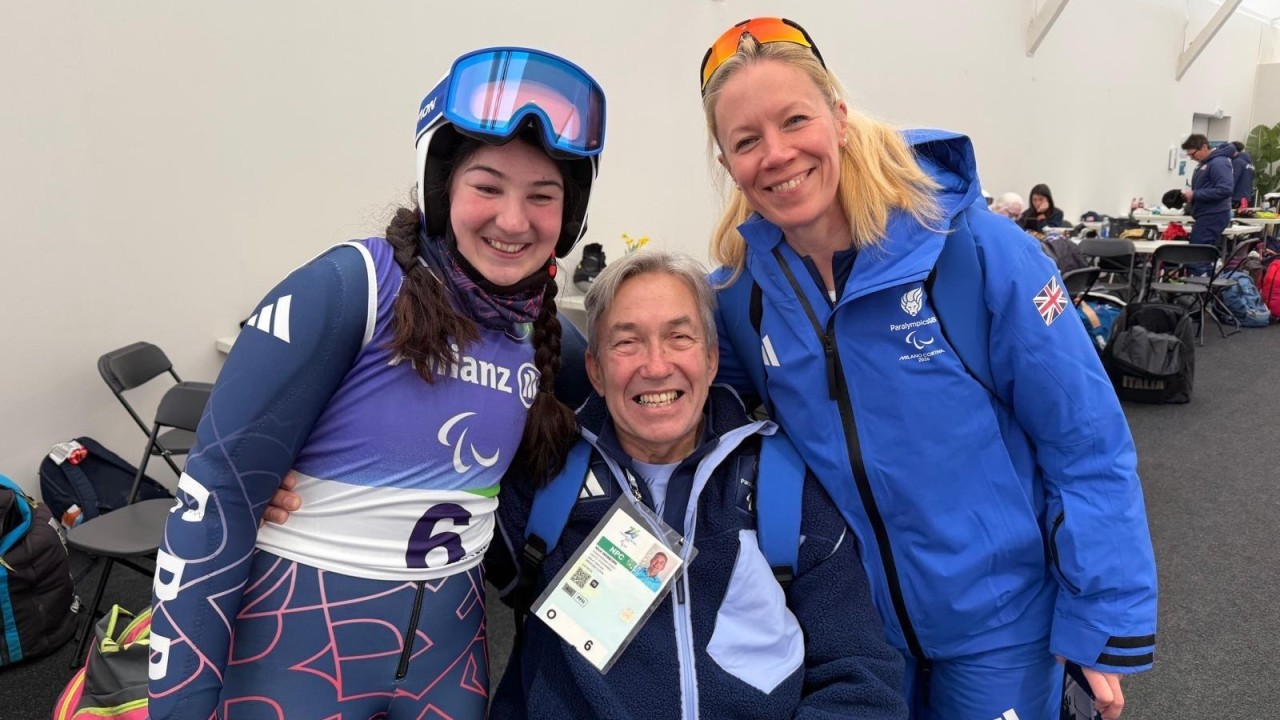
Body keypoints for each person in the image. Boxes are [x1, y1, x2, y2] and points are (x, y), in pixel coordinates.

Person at [700, 17, 1156, 720]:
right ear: (727, 164)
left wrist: (1103, 614)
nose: (778, 154)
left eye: (795, 120)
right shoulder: (743, 293)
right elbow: (687, 412)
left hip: (1000, 620)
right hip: (855, 626)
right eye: (746, 141)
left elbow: (1084, 438)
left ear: (840, 118)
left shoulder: (974, 249)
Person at [147, 46, 605, 720]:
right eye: (487, 186)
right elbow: (215, 501)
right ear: (441, 186)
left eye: (543, 196)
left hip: (448, 667)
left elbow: (641, 407)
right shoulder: (348, 290)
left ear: (569, 218)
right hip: (293, 663)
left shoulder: (547, 339)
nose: (514, 221)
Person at [487, 249, 908, 719]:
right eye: (627, 343)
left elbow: (860, 678)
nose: (656, 365)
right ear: (595, 371)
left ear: (710, 360)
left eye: (679, 337)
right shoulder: (544, 482)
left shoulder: (783, 485)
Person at [1180, 134, 1234, 248]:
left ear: (1204, 147)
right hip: (1206, 214)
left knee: (1198, 254)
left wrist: (1195, 194)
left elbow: (1225, 189)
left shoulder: (1218, 163)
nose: (1191, 158)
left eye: (1193, 154)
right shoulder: (1205, 164)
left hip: (1213, 214)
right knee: (1199, 251)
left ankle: (1200, 266)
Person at [1231, 140, 1255, 209]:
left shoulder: (1237, 162)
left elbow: (1232, 180)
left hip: (1236, 198)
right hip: (1246, 197)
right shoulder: (1249, 163)